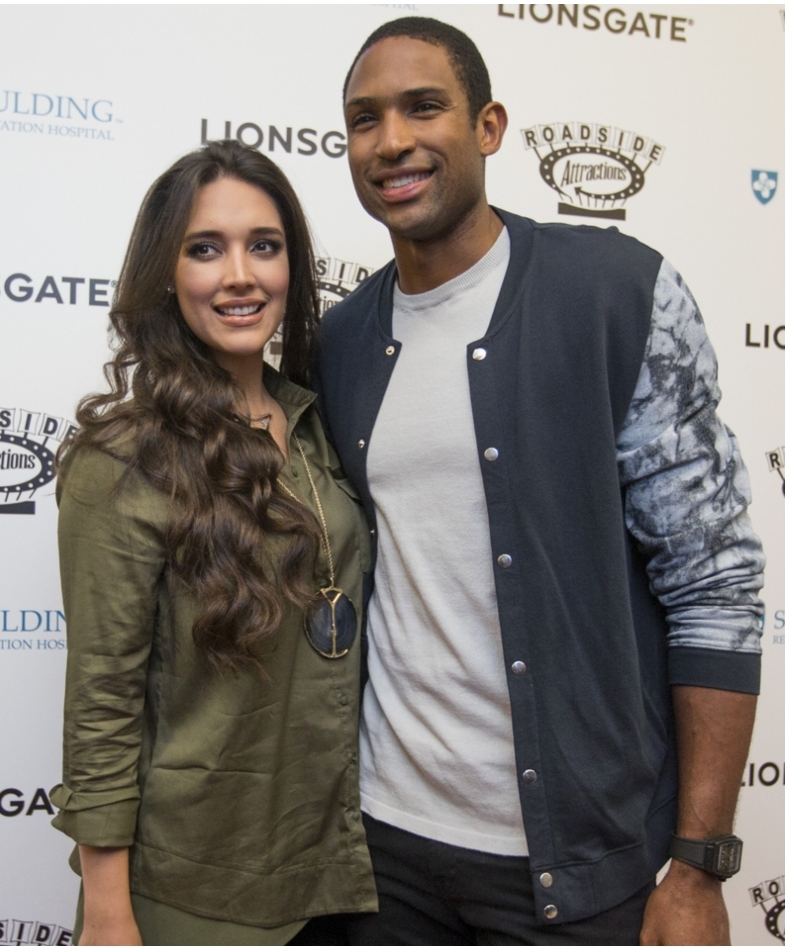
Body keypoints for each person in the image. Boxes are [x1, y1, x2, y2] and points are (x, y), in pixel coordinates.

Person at [313, 16, 766, 946]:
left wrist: (699, 859)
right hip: (378, 853)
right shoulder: (342, 339)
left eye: (423, 107)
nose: (392, 140)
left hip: (578, 866)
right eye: (365, 119)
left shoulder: (616, 294)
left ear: (489, 127)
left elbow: (715, 581)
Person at [50, 140, 376, 946]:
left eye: (263, 246)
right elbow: (102, 699)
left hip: (333, 869)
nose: (241, 274)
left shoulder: (315, 423)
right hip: (188, 887)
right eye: (206, 249)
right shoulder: (125, 457)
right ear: (167, 271)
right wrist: (108, 910)